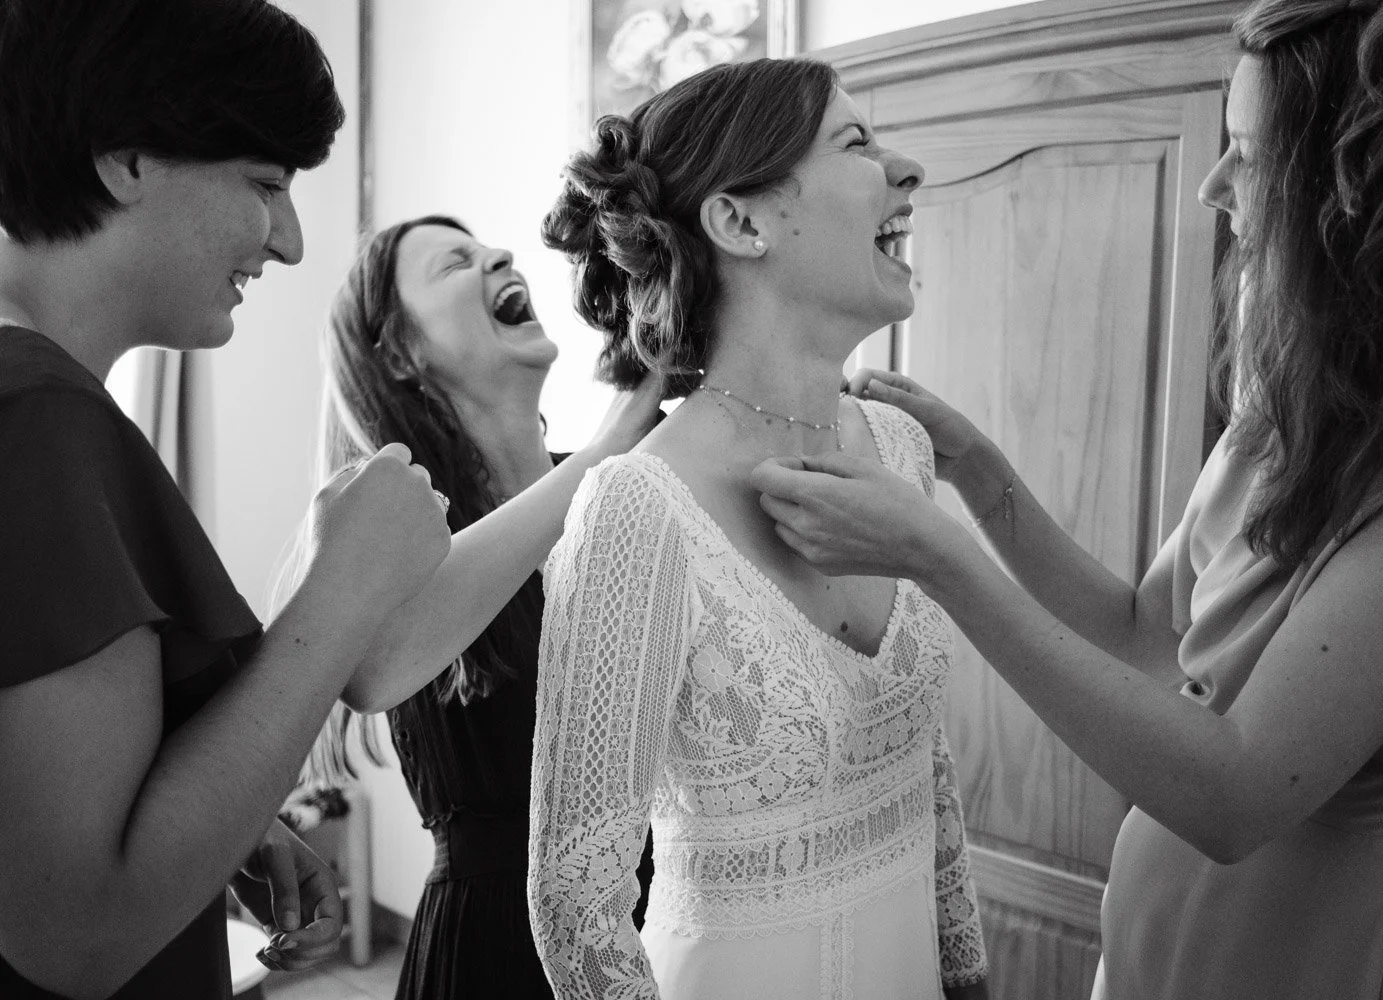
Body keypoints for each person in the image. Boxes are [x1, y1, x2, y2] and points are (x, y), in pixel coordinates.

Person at [751, 1, 1383, 997]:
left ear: (1367, 195)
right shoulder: (1283, 414)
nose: (1212, 185)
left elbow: (1235, 791)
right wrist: (978, 470)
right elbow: (1141, 631)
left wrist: (937, 555)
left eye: (1248, 152)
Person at [0, 2, 453, 998]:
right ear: (126, 161)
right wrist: (344, 593)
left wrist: (215, 818)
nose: (288, 242)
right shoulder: (36, 419)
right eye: (266, 185)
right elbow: (78, 929)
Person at [528, 58, 990, 1000]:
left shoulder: (901, 450)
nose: (908, 172)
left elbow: (926, 769)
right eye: (856, 144)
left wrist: (965, 969)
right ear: (739, 221)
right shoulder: (637, 511)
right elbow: (576, 909)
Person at [288, 215, 661, 998]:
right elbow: (372, 666)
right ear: (401, 353)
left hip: (657, 919)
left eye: (487, 247)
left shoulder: (626, 488)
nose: (498, 254)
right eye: (457, 262)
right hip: (498, 951)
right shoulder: (403, 526)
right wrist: (605, 449)